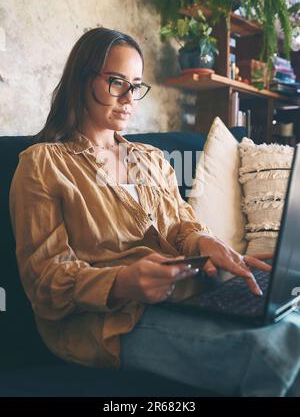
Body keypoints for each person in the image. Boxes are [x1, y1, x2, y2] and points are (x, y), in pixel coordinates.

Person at [9, 27, 300, 396]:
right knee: (279, 351)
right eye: (117, 82)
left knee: (291, 322)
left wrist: (206, 243)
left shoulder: (152, 159)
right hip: (109, 323)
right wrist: (121, 282)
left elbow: (181, 225)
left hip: (184, 295)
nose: (130, 98)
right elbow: (43, 280)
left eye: (136, 85)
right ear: (81, 80)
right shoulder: (41, 165)